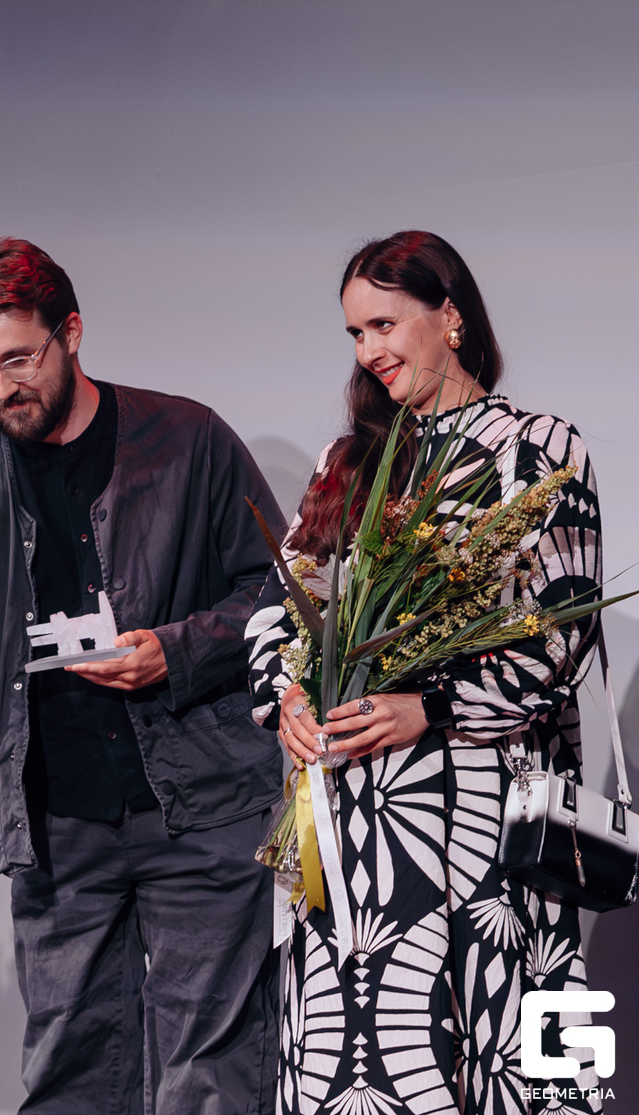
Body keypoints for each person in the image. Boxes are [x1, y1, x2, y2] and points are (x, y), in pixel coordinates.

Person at [0, 239, 284, 1113]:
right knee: (70, 1073)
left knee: (212, 1074)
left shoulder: (188, 439)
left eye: (18, 360)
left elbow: (277, 587)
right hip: (55, 824)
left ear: (70, 333)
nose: (0, 388)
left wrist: (176, 649)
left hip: (202, 806)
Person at [248, 230, 605, 1112]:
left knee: (508, 1059)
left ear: (450, 316)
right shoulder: (348, 464)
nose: (368, 351)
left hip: (486, 821)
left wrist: (430, 706)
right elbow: (278, 612)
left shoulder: (538, 448)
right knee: (359, 1065)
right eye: (354, 333)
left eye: (383, 324)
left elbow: (562, 633)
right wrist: (287, 696)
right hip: (354, 833)